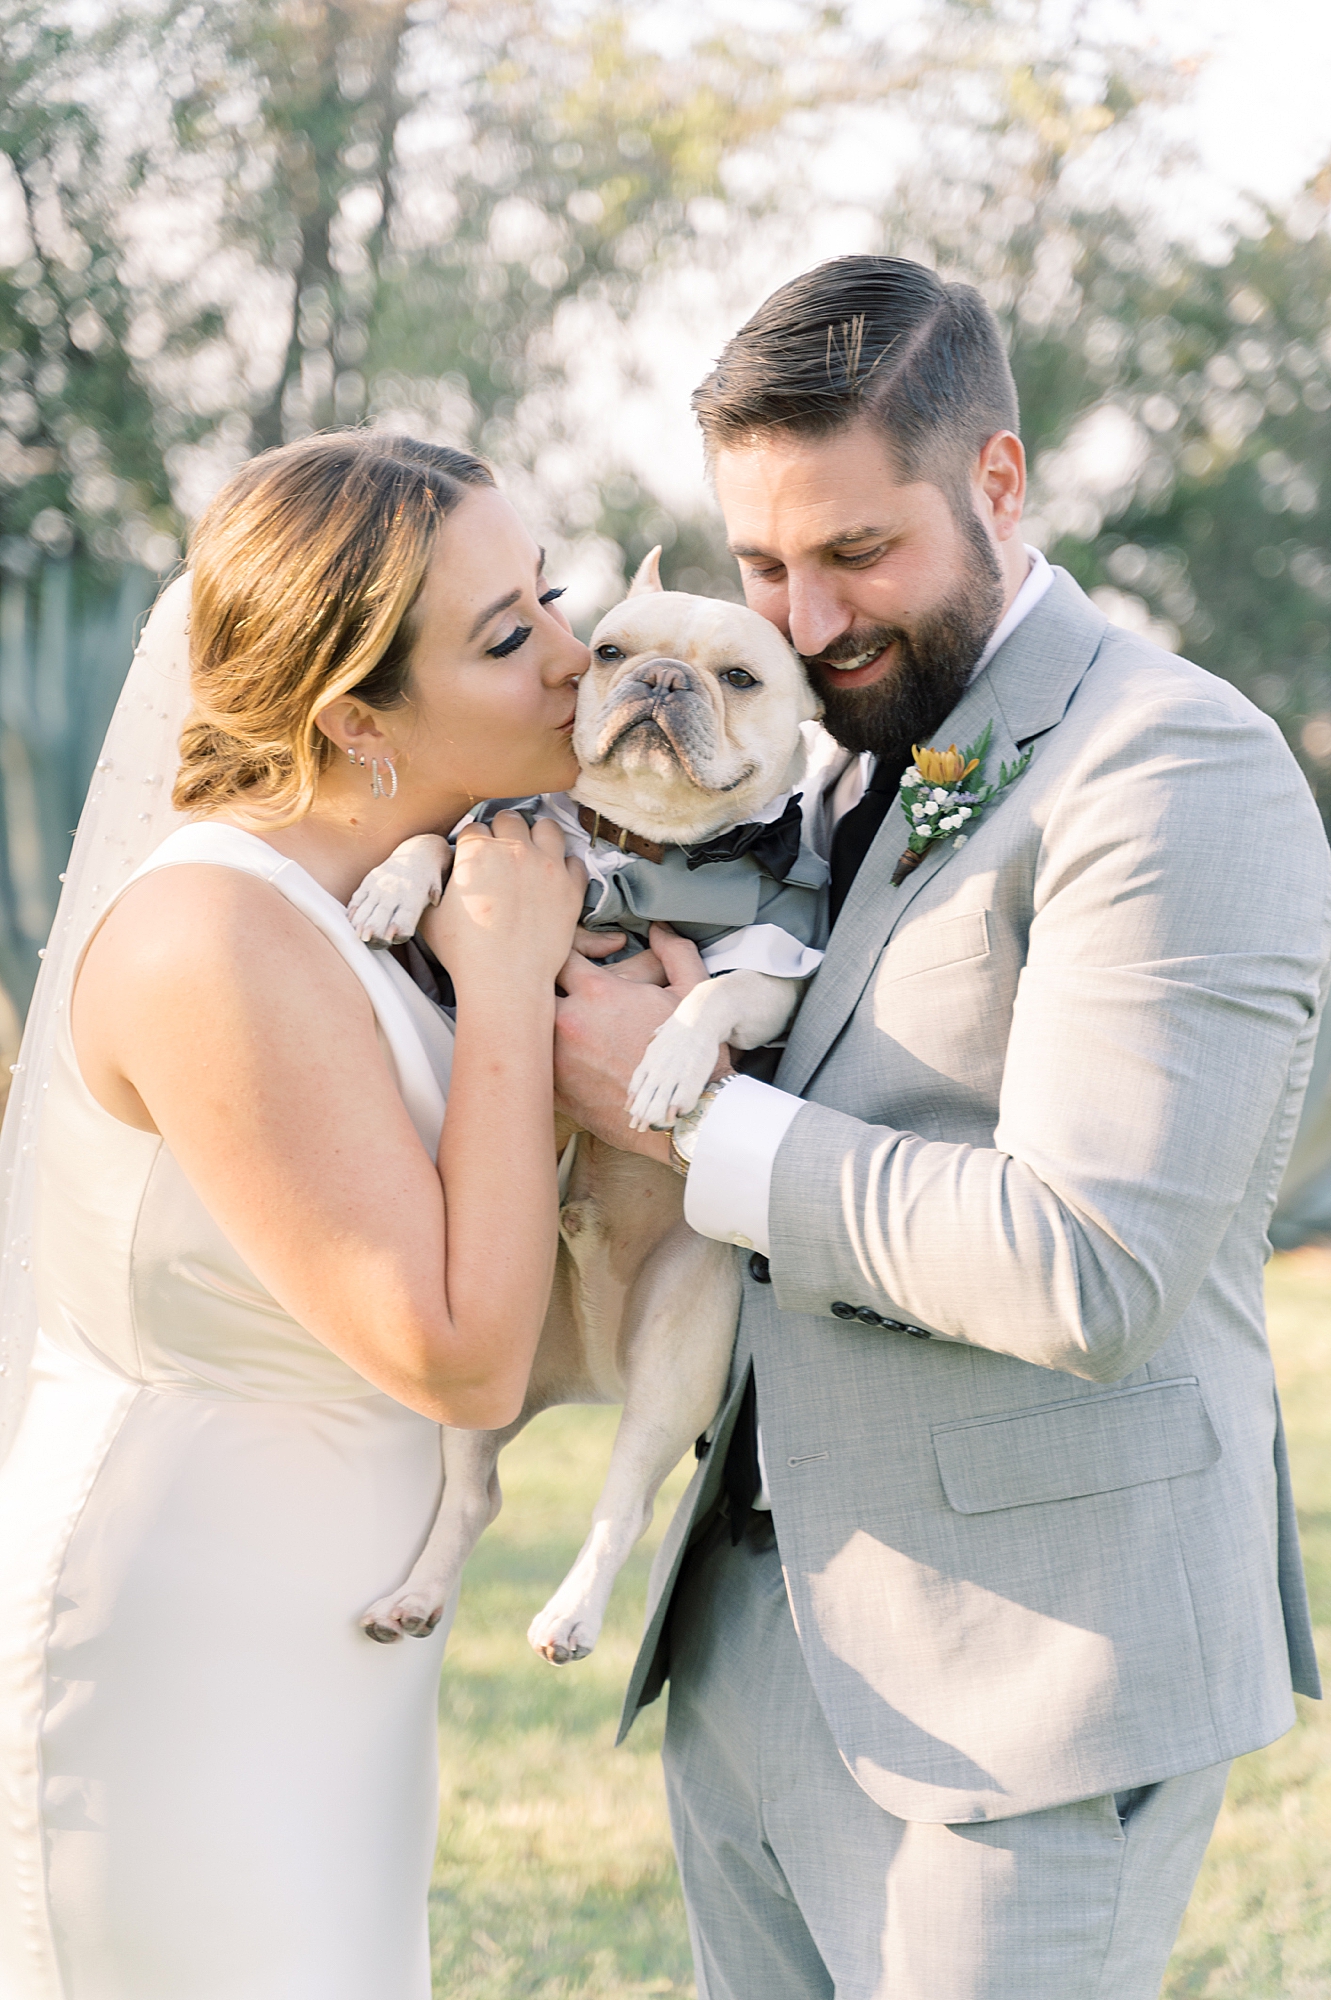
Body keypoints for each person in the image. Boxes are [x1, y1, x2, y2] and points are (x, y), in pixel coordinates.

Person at [553, 256, 1331, 1999]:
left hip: (1030, 1688)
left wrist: (687, 1125)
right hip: (754, 1636)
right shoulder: (816, 752)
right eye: (763, 563)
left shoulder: (1170, 765)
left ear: (998, 480)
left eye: (855, 553)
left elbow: (1091, 1261)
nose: (807, 619)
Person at [0, 432, 588, 1998]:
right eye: (508, 636)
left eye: (552, 598)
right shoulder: (214, 934)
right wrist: (514, 975)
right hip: (182, 1638)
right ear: (352, 718)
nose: (576, 660)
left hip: (328, 1632)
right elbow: (464, 1354)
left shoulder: (361, 908)